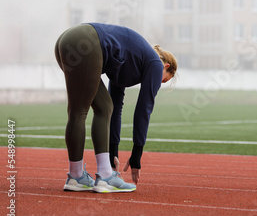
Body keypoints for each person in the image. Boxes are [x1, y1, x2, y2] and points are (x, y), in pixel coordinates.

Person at [54, 23, 177, 193]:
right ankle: (103, 176)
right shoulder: (155, 64)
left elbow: (115, 108)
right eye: (163, 80)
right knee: (81, 111)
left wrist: (113, 152)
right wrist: (137, 154)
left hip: (67, 40)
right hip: (86, 41)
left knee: (104, 107)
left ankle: (77, 177)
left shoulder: (132, 60)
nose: (159, 83)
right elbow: (144, 109)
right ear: (166, 67)